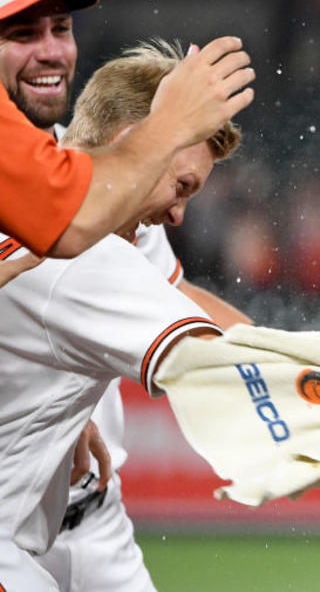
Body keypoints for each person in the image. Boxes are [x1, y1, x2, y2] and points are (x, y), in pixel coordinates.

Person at [0, 40, 241, 591]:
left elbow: (190, 306)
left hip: (90, 511)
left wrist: (50, 409)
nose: (178, 215)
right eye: (181, 186)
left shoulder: (129, 226)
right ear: (137, 144)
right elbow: (205, 359)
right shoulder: (60, 232)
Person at [0, 0, 255, 272]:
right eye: (23, 34)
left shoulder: (91, 164)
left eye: (61, 29)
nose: (52, 52)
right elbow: (72, 221)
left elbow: (178, 291)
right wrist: (171, 121)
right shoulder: (115, 171)